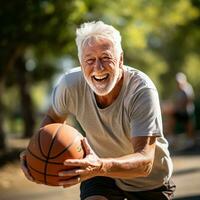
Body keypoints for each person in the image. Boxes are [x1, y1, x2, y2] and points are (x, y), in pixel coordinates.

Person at [20, 21, 175, 200]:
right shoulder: (70, 85)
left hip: (148, 181)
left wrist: (100, 165)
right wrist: (33, 153)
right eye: (90, 60)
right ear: (81, 62)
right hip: (100, 176)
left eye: (106, 58)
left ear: (121, 60)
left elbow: (145, 163)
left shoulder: (141, 91)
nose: (98, 68)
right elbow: (52, 118)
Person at [163, 72, 196, 150]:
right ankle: (171, 138)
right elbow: (173, 100)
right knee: (170, 120)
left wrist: (176, 107)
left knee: (189, 125)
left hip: (186, 111)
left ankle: (191, 140)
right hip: (178, 111)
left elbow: (188, 101)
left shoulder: (187, 89)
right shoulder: (176, 90)